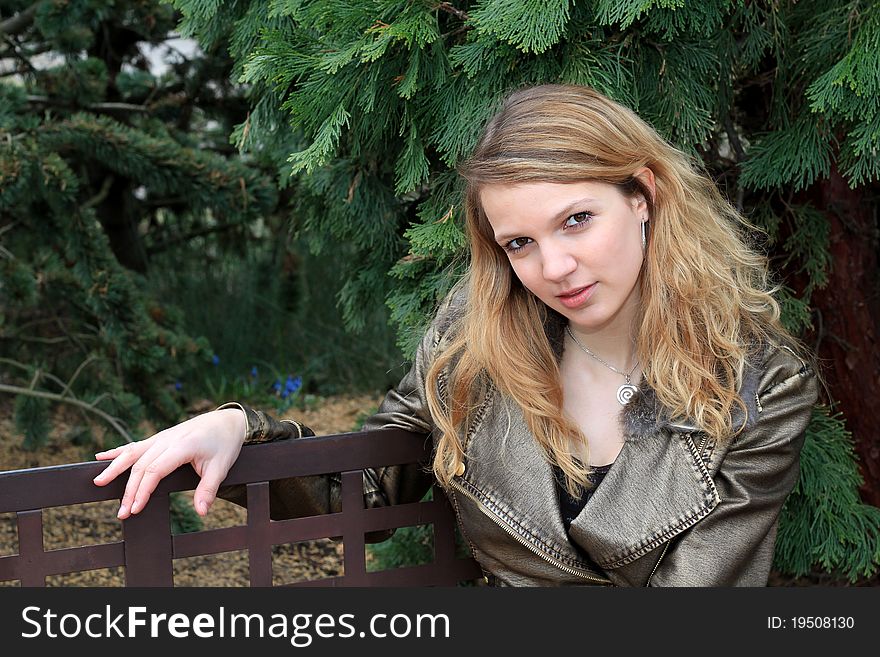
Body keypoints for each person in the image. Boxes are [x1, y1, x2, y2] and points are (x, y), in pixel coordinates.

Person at [93, 84, 819, 586]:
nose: (555, 266)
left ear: (642, 196)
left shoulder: (759, 383)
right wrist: (238, 428)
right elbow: (369, 496)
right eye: (520, 243)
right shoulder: (475, 341)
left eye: (576, 219)